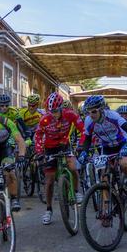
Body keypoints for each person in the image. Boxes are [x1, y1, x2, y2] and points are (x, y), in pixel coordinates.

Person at [34, 92, 86, 225]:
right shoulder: (45, 119)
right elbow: (38, 136)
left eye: (56, 111)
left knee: (73, 167)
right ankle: (48, 209)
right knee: (49, 180)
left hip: (64, 145)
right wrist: (39, 152)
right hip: (50, 148)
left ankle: (75, 191)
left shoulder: (70, 114)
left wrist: (81, 145)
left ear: (61, 108)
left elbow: (83, 130)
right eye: (51, 111)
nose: (54, 114)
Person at [79, 96, 127, 198]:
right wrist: (84, 152)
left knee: (123, 164)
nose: (91, 115)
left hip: (121, 144)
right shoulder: (88, 121)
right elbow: (87, 139)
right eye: (88, 112)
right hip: (106, 147)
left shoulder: (113, 116)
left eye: (93, 111)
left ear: (101, 109)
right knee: (103, 176)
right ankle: (105, 209)